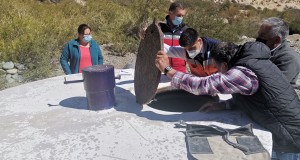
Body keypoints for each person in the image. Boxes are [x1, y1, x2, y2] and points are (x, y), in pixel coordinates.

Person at [155, 41, 300, 159]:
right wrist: (225, 105)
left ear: (224, 65)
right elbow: (255, 96)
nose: (218, 72)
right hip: (287, 131)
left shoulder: (242, 72)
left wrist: (168, 70)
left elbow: (203, 85)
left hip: (288, 142)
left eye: (218, 69)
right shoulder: (254, 62)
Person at [256, 17, 300, 85]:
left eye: (262, 35)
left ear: (277, 40)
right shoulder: (262, 48)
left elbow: (275, 85)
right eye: (259, 34)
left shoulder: (289, 59)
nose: (258, 38)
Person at [157, 2, 188, 73]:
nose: (181, 18)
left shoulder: (185, 30)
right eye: (179, 15)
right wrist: (143, 33)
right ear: (170, 13)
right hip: (161, 70)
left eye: (182, 16)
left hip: (180, 71)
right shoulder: (159, 28)